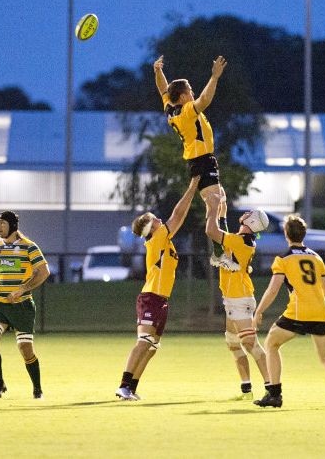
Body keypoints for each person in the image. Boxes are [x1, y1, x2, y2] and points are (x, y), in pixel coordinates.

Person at [252, 214, 325, 409]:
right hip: (320, 312)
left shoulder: (284, 259)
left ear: (287, 235)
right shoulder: (316, 257)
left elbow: (273, 290)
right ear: (303, 234)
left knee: (271, 343)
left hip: (298, 312)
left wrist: (259, 311)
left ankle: (275, 394)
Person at [116, 176, 200, 400]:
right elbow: (179, 215)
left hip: (161, 299)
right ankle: (123, 385)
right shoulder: (157, 238)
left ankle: (131, 388)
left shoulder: (163, 240)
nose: (160, 220)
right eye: (154, 219)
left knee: (152, 347)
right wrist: (192, 187)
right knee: (143, 342)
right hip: (150, 297)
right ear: (149, 228)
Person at [154, 55, 238, 271]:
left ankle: (223, 250)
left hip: (202, 160)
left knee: (221, 202)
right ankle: (220, 254)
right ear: (182, 96)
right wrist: (215, 77)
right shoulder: (187, 111)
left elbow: (163, 89)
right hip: (202, 161)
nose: (192, 92)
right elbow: (206, 99)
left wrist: (158, 71)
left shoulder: (171, 108)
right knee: (214, 205)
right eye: (189, 90)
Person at [0, 211, 50, 399]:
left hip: (22, 306)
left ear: (13, 226)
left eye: (2, 224)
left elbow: (43, 272)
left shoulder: (29, 247)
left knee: (25, 349)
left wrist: (23, 289)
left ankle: (37, 388)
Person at [204, 190, 271, 401]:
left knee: (251, 344)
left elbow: (211, 230)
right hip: (234, 297)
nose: (246, 212)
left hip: (239, 298)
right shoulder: (242, 240)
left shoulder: (240, 242)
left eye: (250, 212)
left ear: (252, 220)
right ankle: (246, 387)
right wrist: (221, 203)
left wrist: (213, 206)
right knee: (232, 342)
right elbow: (221, 228)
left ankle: (273, 386)